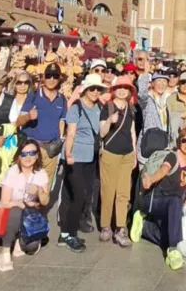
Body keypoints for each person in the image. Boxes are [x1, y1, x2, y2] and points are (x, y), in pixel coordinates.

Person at [132, 125, 186, 270]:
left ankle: (144, 228)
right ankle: (173, 250)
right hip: (154, 200)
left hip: (171, 205)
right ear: (179, 141)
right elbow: (163, 170)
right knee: (175, 201)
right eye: (184, 140)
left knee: (171, 232)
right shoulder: (173, 156)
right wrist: (150, 179)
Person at [59, 73, 106, 252]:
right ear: (85, 90)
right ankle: (68, 234)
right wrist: (68, 153)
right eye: (92, 88)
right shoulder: (76, 108)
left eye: (98, 89)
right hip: (75, 157)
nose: (95, 92)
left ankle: (67, 232)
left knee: (83, 195)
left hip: (90, 157)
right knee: (77, 195)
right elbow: (70, 133)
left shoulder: (98, 107)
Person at [0, 138, 50, 271]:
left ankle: (19, 238)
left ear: (37, 155)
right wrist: (22, 203)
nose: (28, 157)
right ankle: (5, 252)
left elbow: (45, 202)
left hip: (30, 216)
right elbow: (5, 202)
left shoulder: (41, 174)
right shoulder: (12, 172)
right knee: (16, 210)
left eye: (32, 153)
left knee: (31, 248)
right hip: (10, 212)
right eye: (24, 154)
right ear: (18, 156)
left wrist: (39, 191)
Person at [98, 74, 137, 246]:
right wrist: (109, 121)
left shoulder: (132, 108)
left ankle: (120, 228)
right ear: (114, 90)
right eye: (119, 88)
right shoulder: (108, 107)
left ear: (130, 91)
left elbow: (132, 132)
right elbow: (101, 132)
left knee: (123, 193)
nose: (122, 91)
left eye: (126, 88)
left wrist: (134, 153)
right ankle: (106, 225)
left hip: (127, 155)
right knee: (108, 191)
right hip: (110, 154)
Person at [20, 63, 66, 185]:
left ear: (59, 78)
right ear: (43, 77)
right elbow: (18, 121)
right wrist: (28, 116)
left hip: (52, 149)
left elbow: (62, 121)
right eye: (49, 75)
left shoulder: (62, 98)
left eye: (55, 76)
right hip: (34, 147)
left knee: (46, 185)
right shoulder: (33, 96)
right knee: (29, 183)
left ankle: (42, 204)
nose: (52, 79)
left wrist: (60, 140)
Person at [137, 71, 171, 164]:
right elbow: (141, 94)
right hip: (149, 143)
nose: (161, 84)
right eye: (158, 81)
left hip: (165, 144)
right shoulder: (147, 99)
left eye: (164, 81)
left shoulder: (169, 99)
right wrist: (145, 74)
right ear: (152, 83)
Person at [167, 71, 186, 145]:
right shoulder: (170, 99)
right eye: (183, 82)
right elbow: (166, 118)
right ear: (179, 84)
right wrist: (180, 115)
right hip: (175, 139)